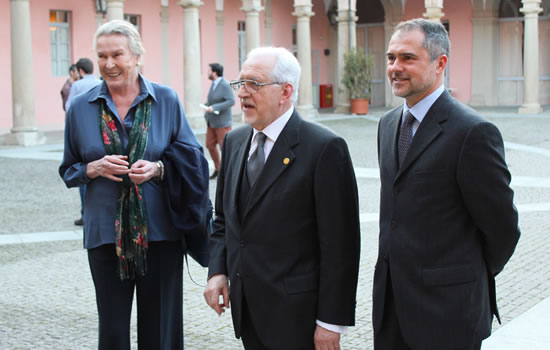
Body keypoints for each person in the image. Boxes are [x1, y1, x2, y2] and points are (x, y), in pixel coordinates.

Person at [59, 20, 207, 350]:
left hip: (161, 232)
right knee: (112, 330)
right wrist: (92, 169)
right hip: (104, 234)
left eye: (117, 55)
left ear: (137, 55)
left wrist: (157, 168)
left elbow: (195, 160)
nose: (109, 64)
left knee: (160, 330)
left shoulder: (165, 99)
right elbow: (68, 170)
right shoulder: (81, 108)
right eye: (102, 56)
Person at [374, 18, 521, 350]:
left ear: (440, 63)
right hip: (392, 308)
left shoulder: (472, 133)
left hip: (448, 315)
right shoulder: (387, 125)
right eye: (390, 57)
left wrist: (460, 278)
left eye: (407, 58)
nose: (395, 67)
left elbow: (503, 228)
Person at [203, 47, 361, 350]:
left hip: (298, 319)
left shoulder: (324, 148)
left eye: (254, 84)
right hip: (247, 311)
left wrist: (330, 323)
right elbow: (224, 220)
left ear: (286, 91)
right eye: (240, 84)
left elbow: (341, 246)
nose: (243, 94)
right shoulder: (235, 142)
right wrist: (218, 271)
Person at [65, 57, 102, 226]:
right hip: (102, 131)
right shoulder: (99, 83)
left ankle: (84, 213)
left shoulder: (78, 86)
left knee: (84, 171)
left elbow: (69, 106)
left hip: (82, 131)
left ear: (80, 71)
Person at [203, 63, 235, 179]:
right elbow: (212, 101)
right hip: (211, 122)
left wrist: (215, 107)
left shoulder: (225, 85)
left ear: (214, 73)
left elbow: (231, 101)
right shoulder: (214, 84)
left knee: (225, 148)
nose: (208, 73)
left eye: (209, 71)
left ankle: (230, 171)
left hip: (222, 123)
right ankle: (218, 168)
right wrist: (206, 106)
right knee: (209, 145)